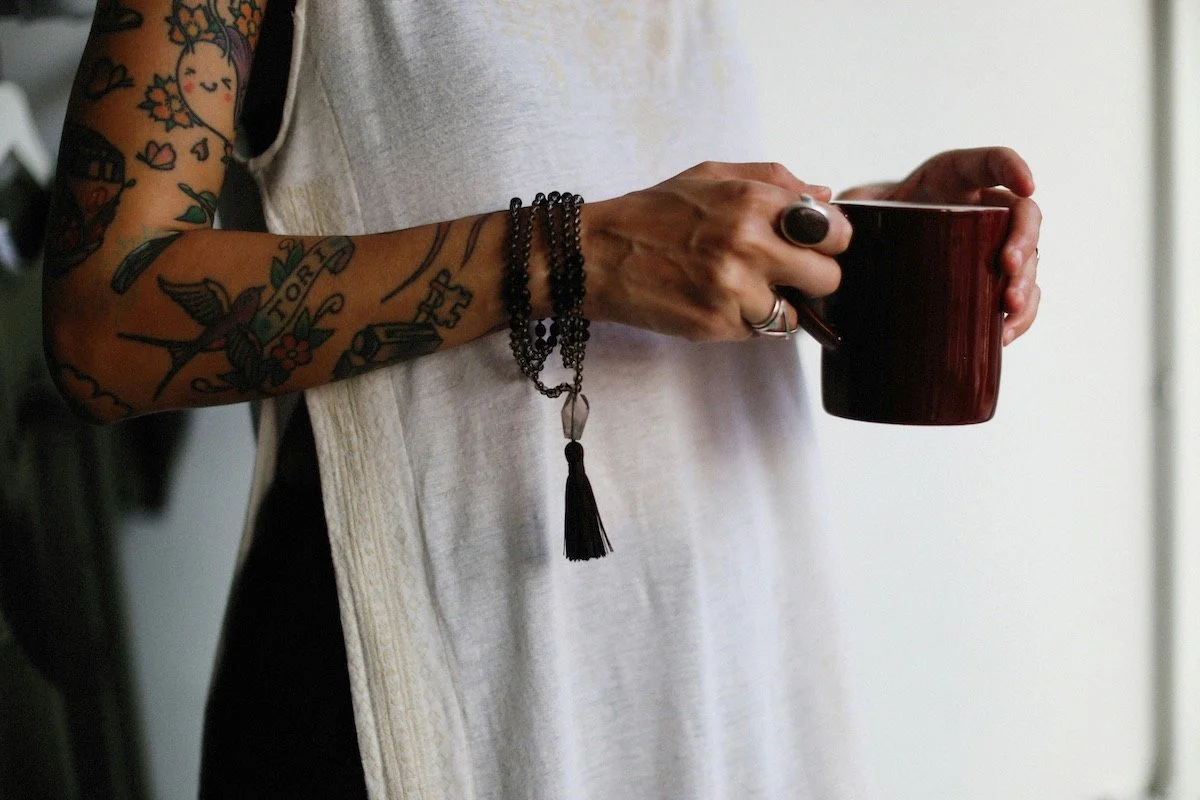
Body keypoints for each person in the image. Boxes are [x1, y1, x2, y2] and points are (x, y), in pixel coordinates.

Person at [44, 0, 1042, 797]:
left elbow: (643, 213)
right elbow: (102, 322)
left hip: (722, 687)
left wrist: (846, 237)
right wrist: (577, 253)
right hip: (442, 704)